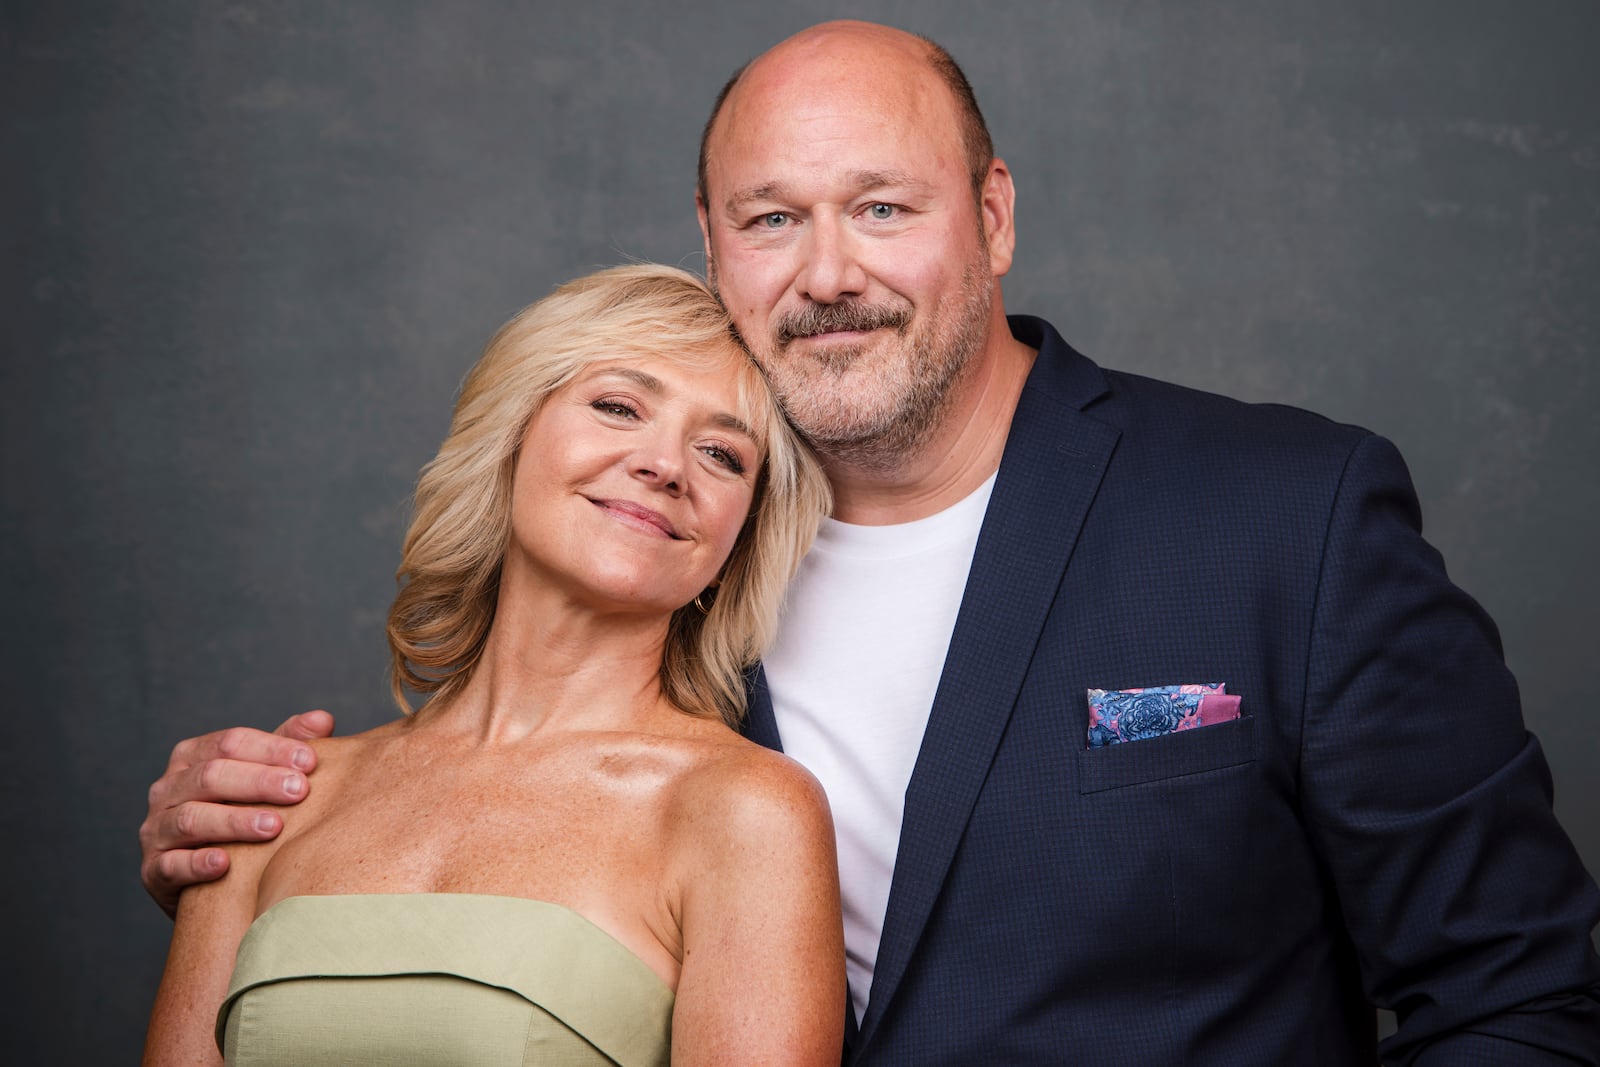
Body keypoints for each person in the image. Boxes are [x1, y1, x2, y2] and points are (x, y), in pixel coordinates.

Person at [141, 20, 1600, 1065]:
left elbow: (1522, 996)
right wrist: (247, 854)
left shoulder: (1286, 513)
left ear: (994, 213)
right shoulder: (661, 551)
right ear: (712, 246)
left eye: (883, 207)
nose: (828, 272)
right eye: (772, 217)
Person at [141, 264, 843, 1066]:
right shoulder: (274, 800)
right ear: (511, 439)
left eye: (723, 454)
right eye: (618, 406)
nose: (667, 464)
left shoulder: (744, 813)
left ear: (733, 547)